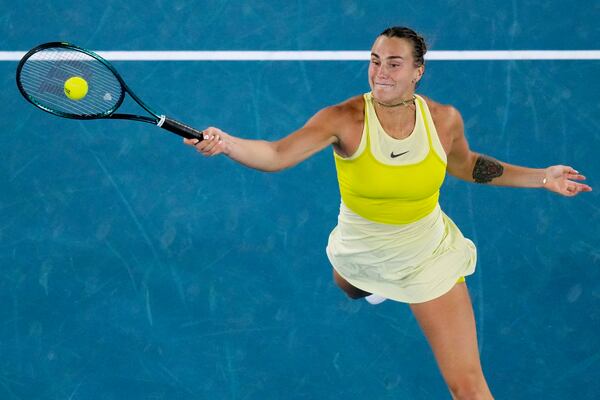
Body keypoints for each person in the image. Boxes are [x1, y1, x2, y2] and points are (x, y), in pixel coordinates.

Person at [183, 26, 592, 400]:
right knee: (348, 285)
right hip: (360, 244)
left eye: (394, 63)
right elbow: (275, 154)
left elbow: (467, 165)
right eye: (375, 60)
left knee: (467, 384)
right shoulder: (344, 119)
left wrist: (542, 177)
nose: (380, 72)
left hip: (426, 252)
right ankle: (374, 283)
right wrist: (227, 143)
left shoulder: (444, 119)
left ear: (418, 71)